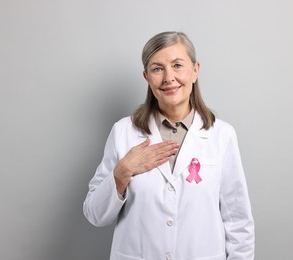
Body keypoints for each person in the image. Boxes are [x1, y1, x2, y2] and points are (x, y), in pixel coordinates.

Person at [83, 31, 255, 260]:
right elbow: (95, 215)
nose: (168, 78)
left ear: (195, 71)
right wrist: (122, 172)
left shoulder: (222, 135)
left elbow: (238, 222)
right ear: (146, 77)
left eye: (177, 65)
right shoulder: (124, 132)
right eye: (157, 69)